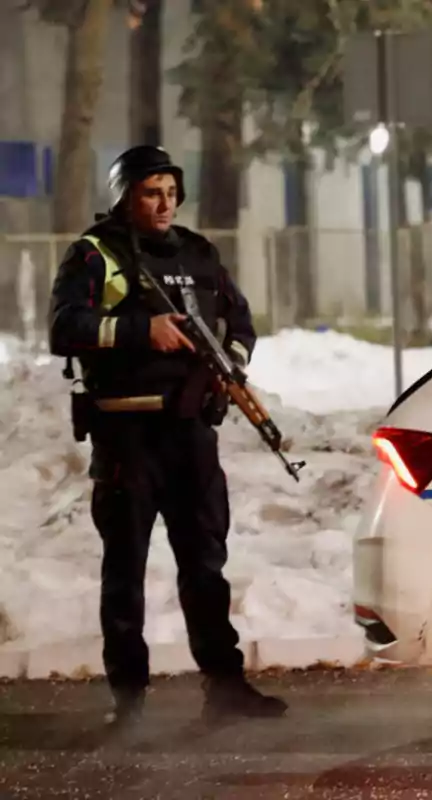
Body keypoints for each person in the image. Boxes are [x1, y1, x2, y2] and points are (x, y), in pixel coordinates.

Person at [48, 145, 288, 727]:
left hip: (189, 436)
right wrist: (140, 330)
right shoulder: (95, 254)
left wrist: (225, 363)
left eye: (171, 192)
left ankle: (226, 688)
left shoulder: (200, 254)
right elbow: (63, 327)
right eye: (151, 192)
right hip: (127, 437)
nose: (164, 203)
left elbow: (241, 322)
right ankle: (128, 703)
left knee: (206, 564)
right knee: (125, 572)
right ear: (125, 196)